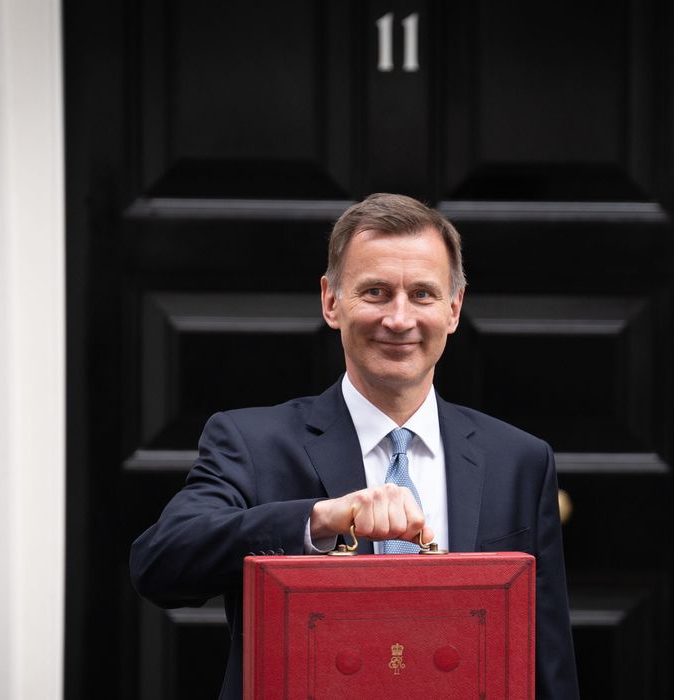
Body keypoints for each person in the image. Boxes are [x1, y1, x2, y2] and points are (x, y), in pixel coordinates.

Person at [130, 193, 580, 699]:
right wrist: (318, 519)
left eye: (424, 295)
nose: (399, 318)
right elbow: (159, 564)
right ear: (330, 301)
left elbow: (548, 656)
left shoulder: (519, 459)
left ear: (454, 309)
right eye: (375, 292)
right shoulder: (251, 442)